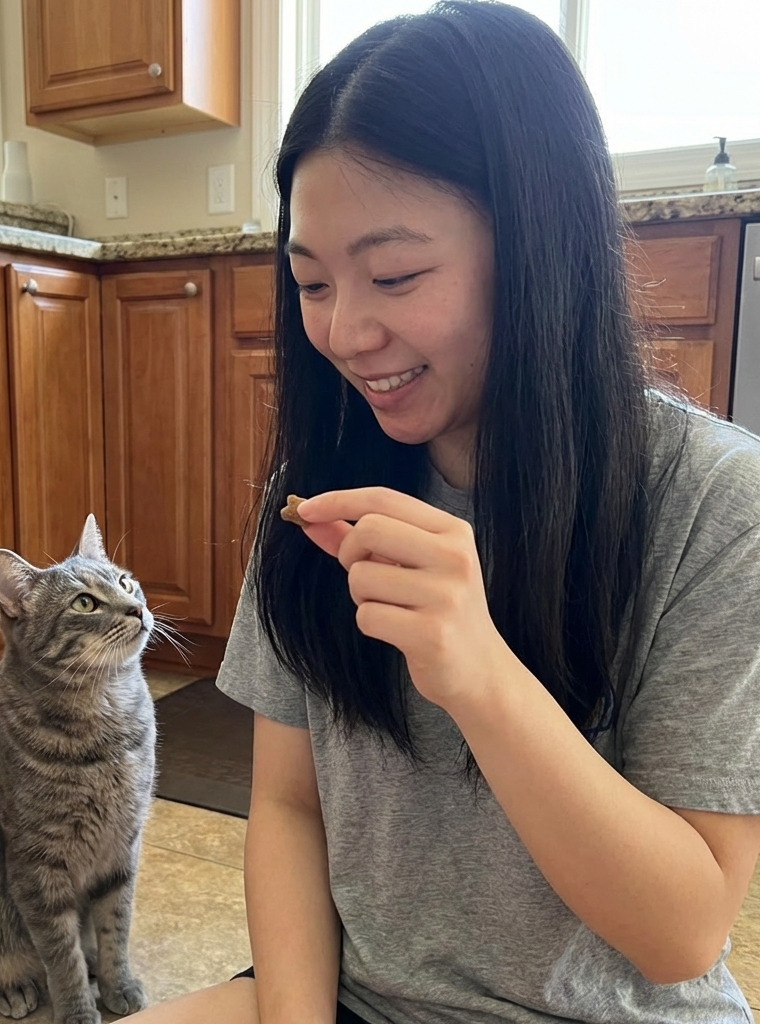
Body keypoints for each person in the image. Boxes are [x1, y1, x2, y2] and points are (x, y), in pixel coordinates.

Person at [127, 3, 760, 1021]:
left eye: (394, 275)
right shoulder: (317, 487)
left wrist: (479, 674)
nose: (342, 329)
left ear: (537, 247)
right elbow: (289, 807)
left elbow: (682, 931)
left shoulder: (719, 503)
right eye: (311, 281)